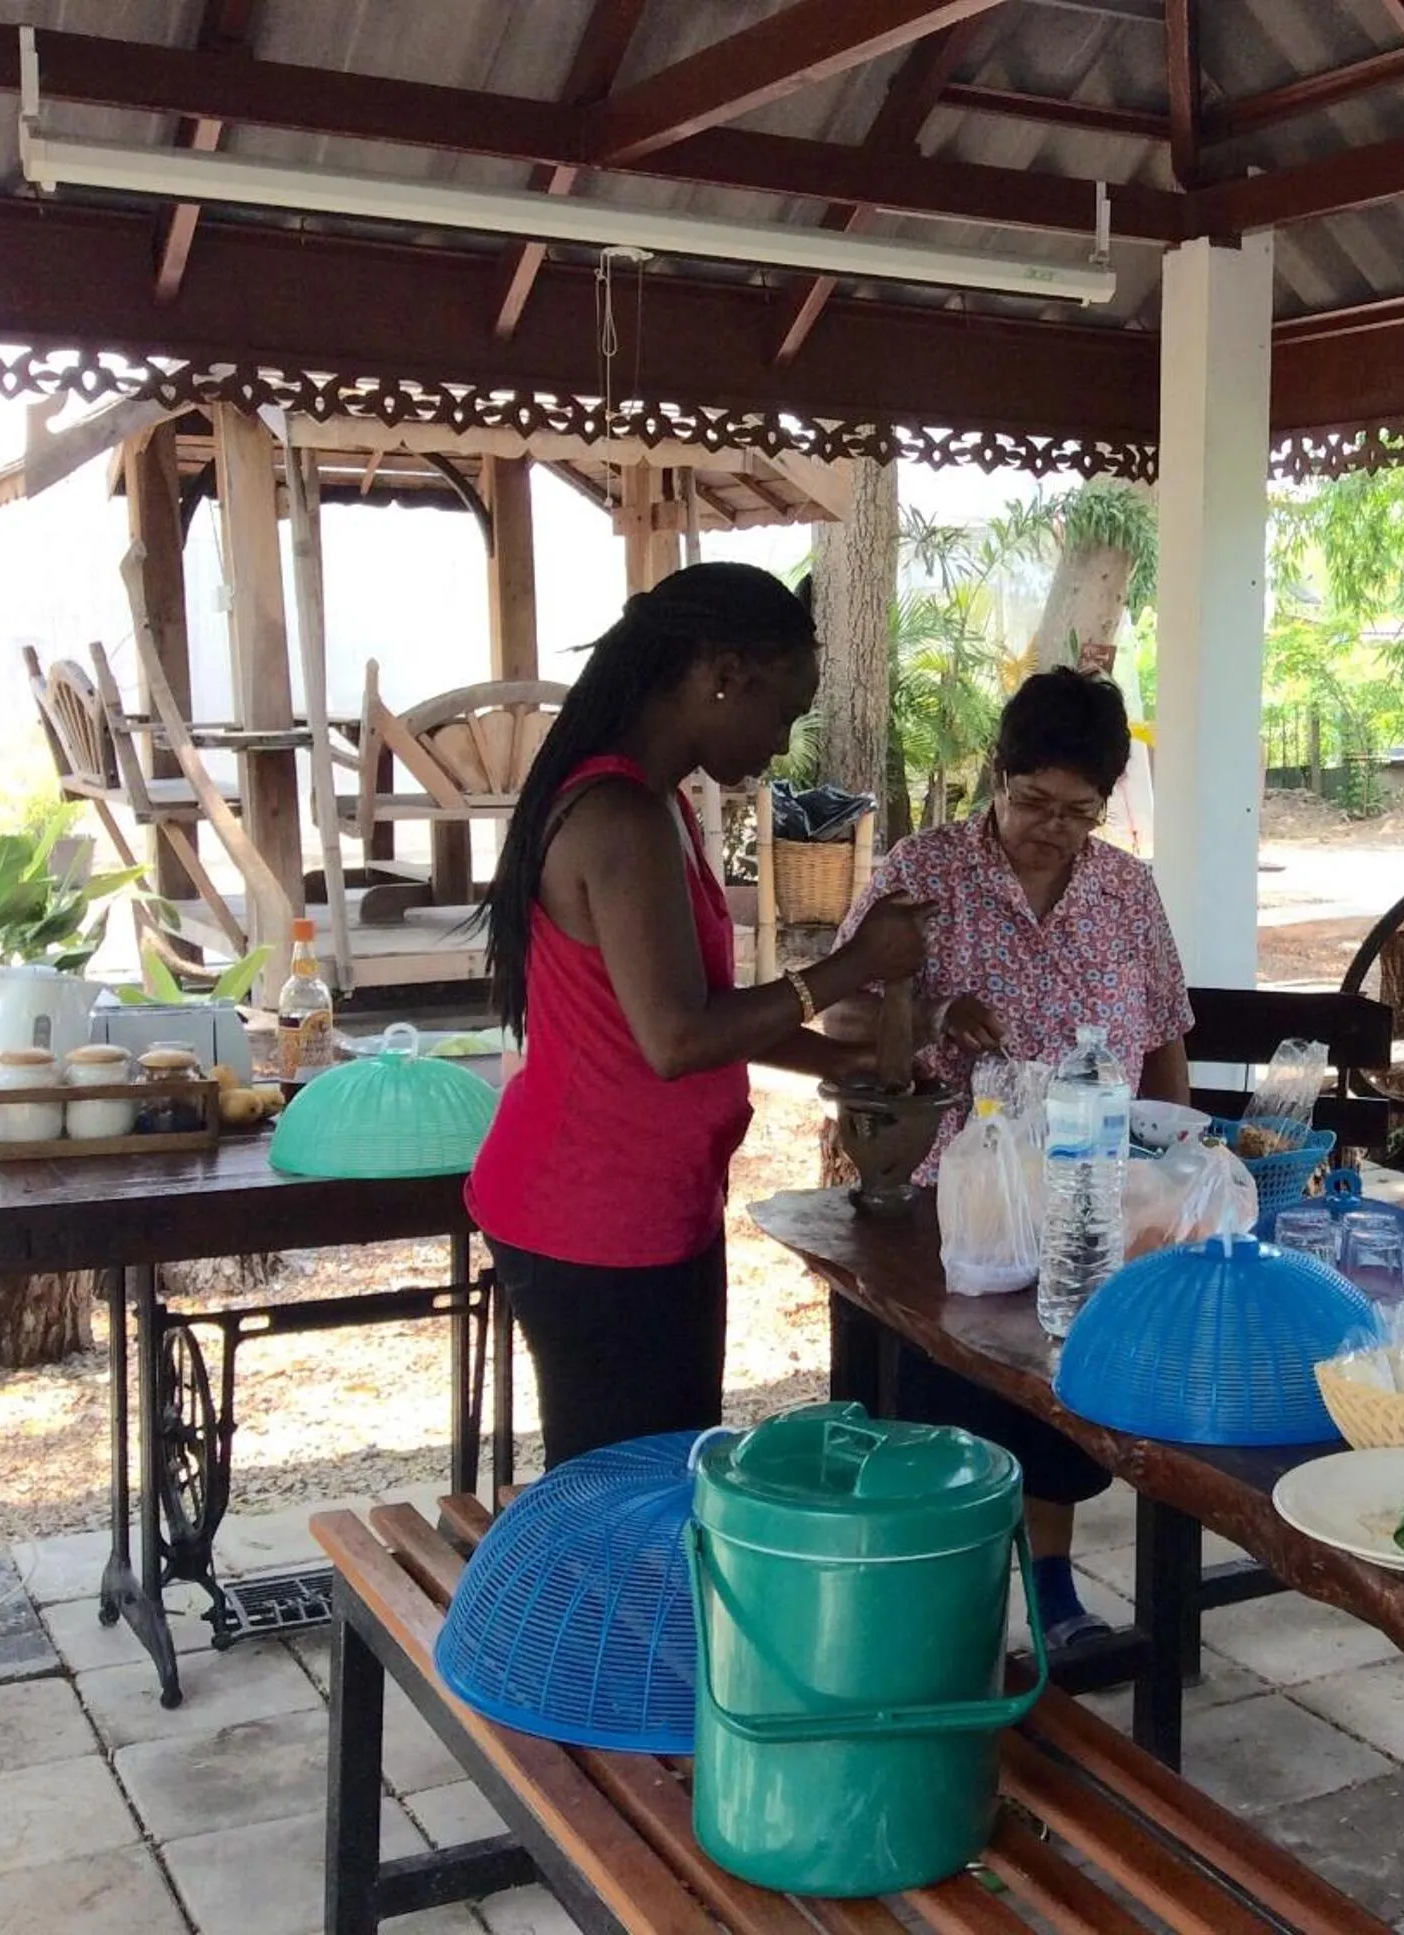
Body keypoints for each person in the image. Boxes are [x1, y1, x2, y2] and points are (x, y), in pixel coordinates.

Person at [469, 563, 932, 1467]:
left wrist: (837, 1061)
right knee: (628, 1498)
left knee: (668, 1475)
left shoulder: (661, 805)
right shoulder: (620, 815)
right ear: (723, 675)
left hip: (651, 1204)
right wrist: (854, 965)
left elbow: (701, 1010)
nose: (781, 744)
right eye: (782, 713)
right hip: (594, 1218)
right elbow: (677, 1037)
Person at [828, 668, 1194, 1649]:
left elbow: (1164, 1033)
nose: (1053, 829)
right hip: (951, 1200)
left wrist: (1173, 1160)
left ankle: (1054, 1594)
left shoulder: (1125, 891)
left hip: (1087, 1194)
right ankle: (941, 1616)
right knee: (952, 1405)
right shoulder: (925, 873)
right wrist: (929, 1014)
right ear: (998, 772)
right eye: (1034, 801)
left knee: (1059, 1405)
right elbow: (840, 1010)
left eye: (1079, 811)